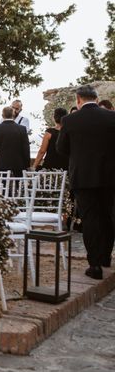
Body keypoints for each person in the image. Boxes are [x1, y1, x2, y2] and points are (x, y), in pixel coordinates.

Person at [57, 85, 115, 280]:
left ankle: (95, 264)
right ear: (97, 99)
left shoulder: (69, 120)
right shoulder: (112, 117)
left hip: (83, 177)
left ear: (78, 100)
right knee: (107, 216)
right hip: (110, 177)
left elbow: (62, 148)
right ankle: (106, 257)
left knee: (90, 218)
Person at [0, 106, 30, 177]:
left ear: (2, 115)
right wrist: (27, 163)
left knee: (3, 184)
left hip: (3, 162)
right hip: (18, 163)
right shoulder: (22, 129)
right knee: (19, 184)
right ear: (13, 115)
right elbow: (26, 147)